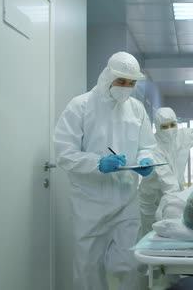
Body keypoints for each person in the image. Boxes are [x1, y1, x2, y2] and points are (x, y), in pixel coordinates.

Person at [54, 51, 156, 290]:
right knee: (88, 266)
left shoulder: (137, 109)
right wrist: (97, 163)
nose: (126, 88)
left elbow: (147, 146)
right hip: (90, 203)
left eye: (131, 83)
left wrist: (146, 160)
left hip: (127, 198)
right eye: (121, 81)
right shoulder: (80, 105)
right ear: (107, 76)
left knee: (132, 263)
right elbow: (64, 153)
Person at [138, 107, 193, 235]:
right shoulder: (153, 145)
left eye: (173, 124)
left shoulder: (182, 136)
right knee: (150, 230)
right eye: (164, 126)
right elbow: (167, 179)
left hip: (172, 191)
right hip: (151, 197)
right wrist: (180, 201)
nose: (170, 130)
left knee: (172, 224)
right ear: (157, 126)